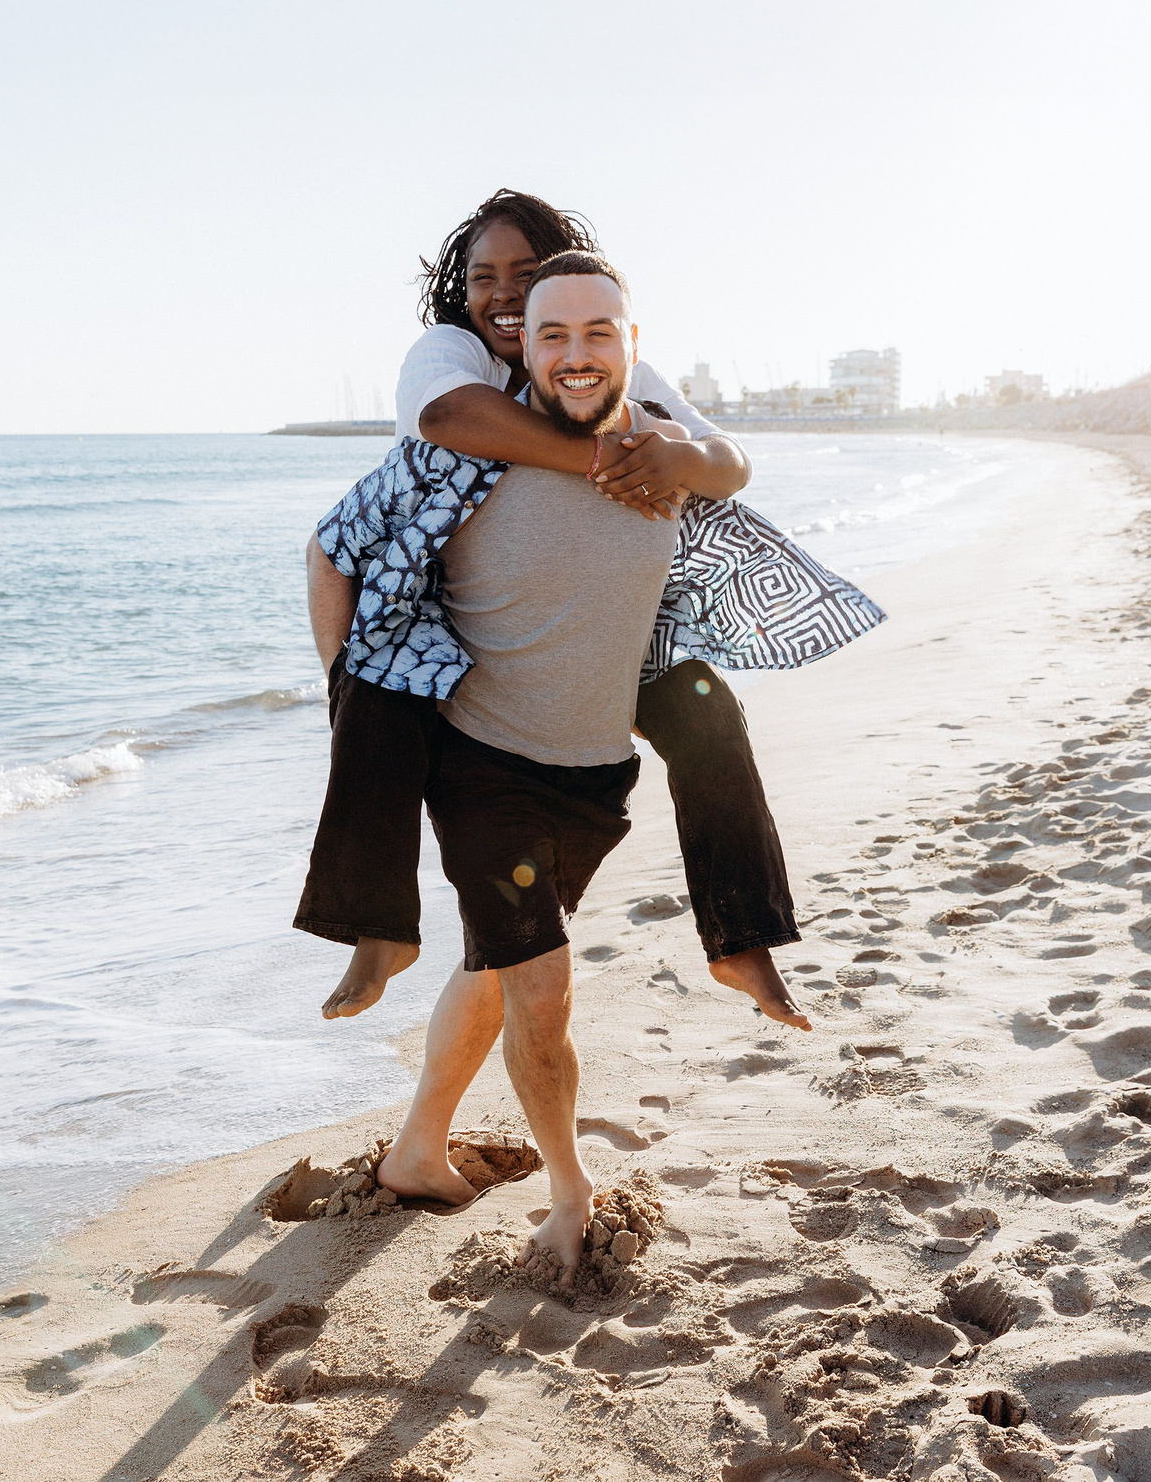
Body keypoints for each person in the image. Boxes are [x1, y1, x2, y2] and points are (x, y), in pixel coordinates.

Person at [307, 251, 875, 1274]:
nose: (575, 355)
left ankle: (413, 1155)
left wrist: (694, 457)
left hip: (593, 769)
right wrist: (352, 706)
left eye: (597, 333)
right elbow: (333, 547)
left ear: (633, 345)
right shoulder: (461, 458)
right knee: (541, 989)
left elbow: (729, 485)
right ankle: (570, 1194)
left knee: (498, 963)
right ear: (521, 340)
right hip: (480, 763)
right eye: (551, 333)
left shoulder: (663, 460)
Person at [295, 190, 820, 1031]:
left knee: (709, 714)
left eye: (527, 274)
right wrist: (612, 454)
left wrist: (680, 453)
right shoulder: (451, 351)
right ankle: (378, 930)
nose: (504, 294)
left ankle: (741, 936)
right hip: (450, 618)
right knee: (374, 702)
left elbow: (730, 460)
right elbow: (449, 418)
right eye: (484, 277)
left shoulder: (605, 356)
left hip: (597, 618)